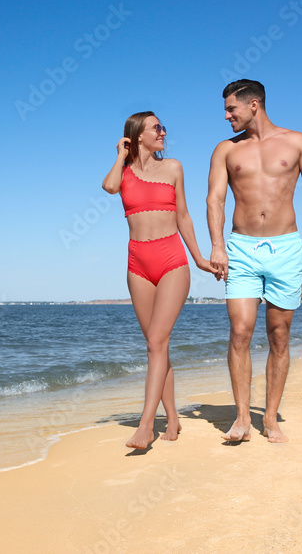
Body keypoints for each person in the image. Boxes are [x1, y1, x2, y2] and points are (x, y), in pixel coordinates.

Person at [206, 79, 302, 443]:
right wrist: (217, 246)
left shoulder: (297, 142)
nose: (226, 115)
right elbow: (215, 199)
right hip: (241, 248)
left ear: (254, 105)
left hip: (286, 247)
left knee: (279, 333)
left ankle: (271, 417)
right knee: (240, 330)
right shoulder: (225, 150)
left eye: (232, 109)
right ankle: (243, 417)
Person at [102, 111, 214, 449]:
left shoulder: (174, 167)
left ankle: (145, 426)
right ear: (138, 136)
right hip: (137, 263)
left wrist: (199, 258)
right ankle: (174, 418)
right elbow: (108, 187)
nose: (163, 132)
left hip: (171, 260)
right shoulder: (123, 172)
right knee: (156, 345)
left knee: (155, 343)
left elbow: (183, 215)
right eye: (156, 128)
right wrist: (121, 155)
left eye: (162, 127)